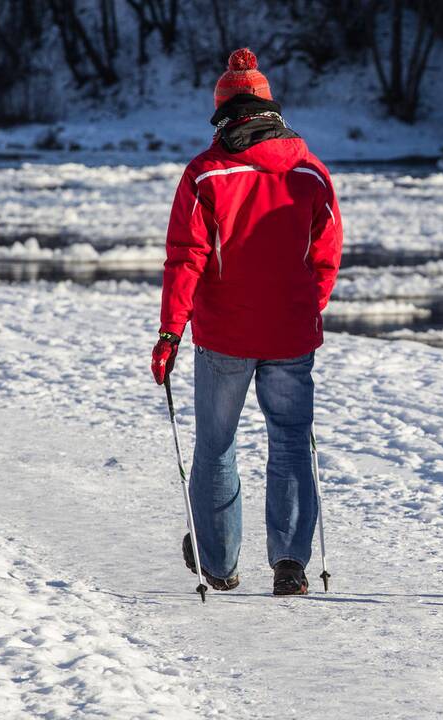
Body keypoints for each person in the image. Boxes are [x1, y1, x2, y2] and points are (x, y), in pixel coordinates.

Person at [151, 48, 342, 596]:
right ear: (267, 107)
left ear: (223, 111)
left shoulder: (205, 175)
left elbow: (185, 258)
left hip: (224, 336)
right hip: (289, 335)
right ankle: (290, 565)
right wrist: (308, 305)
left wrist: (170, 333)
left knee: (217, 446)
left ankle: (219, 564)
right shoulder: (311, 172)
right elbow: (327, 254)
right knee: (289, 443)